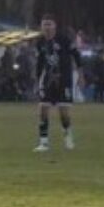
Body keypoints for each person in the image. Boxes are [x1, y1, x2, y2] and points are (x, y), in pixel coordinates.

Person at [33, 14, 83, 151]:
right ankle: (43, 142)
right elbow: (39, 63)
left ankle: (68, 138)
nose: (47, 27)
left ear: (55, 26)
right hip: (48, 80)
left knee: (64, 112)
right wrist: (37, 80)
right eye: (45, 24)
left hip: (64, 80)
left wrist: (80, 75)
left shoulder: (64, 40)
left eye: (49, 24)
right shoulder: (40, 43)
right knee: (43, 109)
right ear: (41, 27)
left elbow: (76, 56)